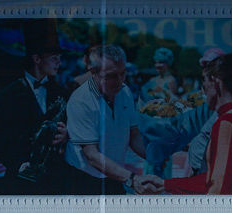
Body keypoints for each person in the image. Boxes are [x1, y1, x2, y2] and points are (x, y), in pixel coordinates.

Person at [65, 44, 163, 194]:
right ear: (94, 72)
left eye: (123, 74)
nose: (119, 81)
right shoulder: (81, 100)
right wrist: (132, 179)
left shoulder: (124, 92)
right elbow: (91, 155)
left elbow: (134, 135)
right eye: (111, 76)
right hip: (83, 180)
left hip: (114, 174)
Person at [0, 21, 70, 194]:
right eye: (54, 58)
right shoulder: (8, 95)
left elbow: (74, 128)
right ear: (37, 59)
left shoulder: (61, 92)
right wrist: (18, 164)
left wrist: (67, 135)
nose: (59, 63)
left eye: (59, 58)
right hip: (20, 182)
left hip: (55, 180)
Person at [163, 53, 232, 195]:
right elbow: (212, 179)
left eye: (204, 81)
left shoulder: (228, 123)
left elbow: (217, 189)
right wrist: (165, 184)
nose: (203, 89)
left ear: (216, 82)